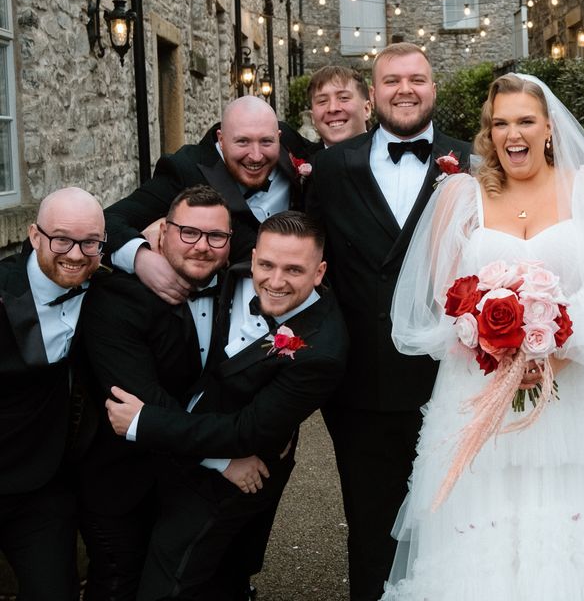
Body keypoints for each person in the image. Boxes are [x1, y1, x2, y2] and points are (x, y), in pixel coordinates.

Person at [384, 74, 584, 600]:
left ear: (549, 128)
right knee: (484, 540)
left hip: (577, 396)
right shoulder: (459, 197)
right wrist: (492, 346)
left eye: (525, 121)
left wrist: (554, 353)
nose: (513, 134)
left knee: (578, 537)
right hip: (481, 398)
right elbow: (446, 303)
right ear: (489, 134)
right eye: (500, 123)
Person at [105, 211, 349, 601]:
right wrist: (142, 249)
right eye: (266, 265)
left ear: (319, 273)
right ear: (251, 258)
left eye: (294, 270)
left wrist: (144, 422)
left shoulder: (322, 352)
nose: (275, 281)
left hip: (231, 478)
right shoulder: (231, 269)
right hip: (180, 454)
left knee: (166, 585)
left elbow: (246, 433)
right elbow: (115, 224)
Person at [304, 42, 472, 601]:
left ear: (433, 88)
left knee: (453, 520)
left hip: (451, 380)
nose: (406, 89)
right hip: (362, 385)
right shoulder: (331, 166)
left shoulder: (471, 162)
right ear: (372, 94)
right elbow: (309, 261)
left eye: (418, 79)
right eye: (393, 80)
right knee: (370, 527)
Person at [78, 185, 232, 601]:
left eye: (216, 236)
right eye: (189, 233)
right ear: (160, 232)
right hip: (125, 481)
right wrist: (224, 457)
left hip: (196, 489)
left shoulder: (239, 290)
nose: (202, 247)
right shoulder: (116, 300)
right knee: (118, 585)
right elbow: (140, 403)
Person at [0, 187, 105, 601]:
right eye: (61, 239)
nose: (76, 254)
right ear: (33, 235)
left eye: (89, 242)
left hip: (40, 488)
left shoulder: (107, 292)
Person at [105, 96, 310, 303]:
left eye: (266, 141)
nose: (256, 156)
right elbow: (109, 221)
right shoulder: (184, 170)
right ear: (221, 139)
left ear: (279, 136)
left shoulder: (289, 143)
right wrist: (141, 259)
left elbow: (328, 156)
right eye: (242, 142)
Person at [307, 65, 371, 147]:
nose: (332, 108)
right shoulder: (305, 158)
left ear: (366, 109)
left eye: (343, 98)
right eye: (322, 101)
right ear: (312, 118)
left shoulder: (388, 157)